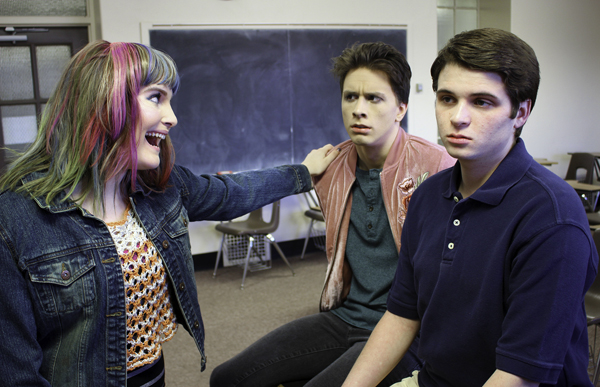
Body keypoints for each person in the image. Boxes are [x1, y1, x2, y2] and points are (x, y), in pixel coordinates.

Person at [0, 40, 339, 387]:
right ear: (105, 100)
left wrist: (302, 172)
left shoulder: (159, 187)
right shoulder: (14, 220)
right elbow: (16, 374)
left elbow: (232, 193)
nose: (172, 117)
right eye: (156, 97)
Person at [342, 28, 599, 387]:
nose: (458, 117)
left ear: (521, 112)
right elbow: (401, 316)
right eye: (447, 99)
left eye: (481, 102)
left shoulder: (552, 218)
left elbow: (518, 375)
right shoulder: (428, 196)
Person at [210, 42, 455, 387]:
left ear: (400, 108)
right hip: (346, 316)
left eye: (374, 98)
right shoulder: (330, 165)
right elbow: (242, 191)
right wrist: (301, 173)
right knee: (229, 378)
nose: (359, 109)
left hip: (405, 328)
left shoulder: (437, 166)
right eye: (350, 97)